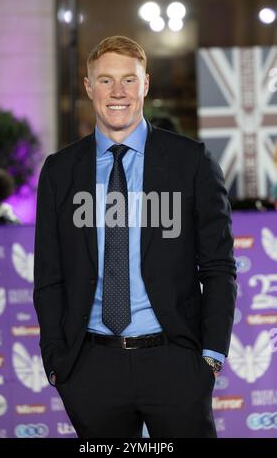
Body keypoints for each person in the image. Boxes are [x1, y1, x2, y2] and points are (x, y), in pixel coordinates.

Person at [33, 36, 237, 438]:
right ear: (89, 88)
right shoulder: (59, 171)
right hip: (91, 368)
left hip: (174, 362)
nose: (118, 92)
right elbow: (49, 277)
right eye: (105, 81)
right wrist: (58, 362)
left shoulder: (190, 161)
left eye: (129, 79)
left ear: (146, 84)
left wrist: (210, 357)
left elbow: (218, 266)